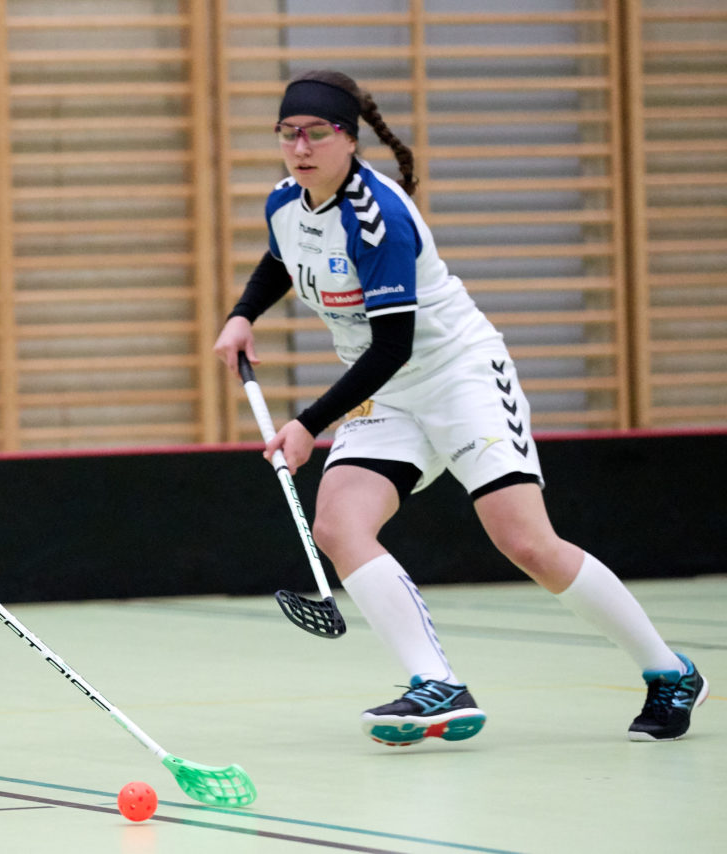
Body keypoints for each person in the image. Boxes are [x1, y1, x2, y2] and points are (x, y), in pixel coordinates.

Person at [214, 69, 707, 746]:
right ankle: (435, 686)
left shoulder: (378, 216)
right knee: (338, 524)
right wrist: (243, 316)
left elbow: (393, 344)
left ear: (349, 139)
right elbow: (281, 257)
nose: (300, 146)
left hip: (460, 378)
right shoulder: (284, 202)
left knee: (526, 541)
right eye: (287, 133)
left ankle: (669, 671)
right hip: (387, 394)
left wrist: (306, 425)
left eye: (317, 133)